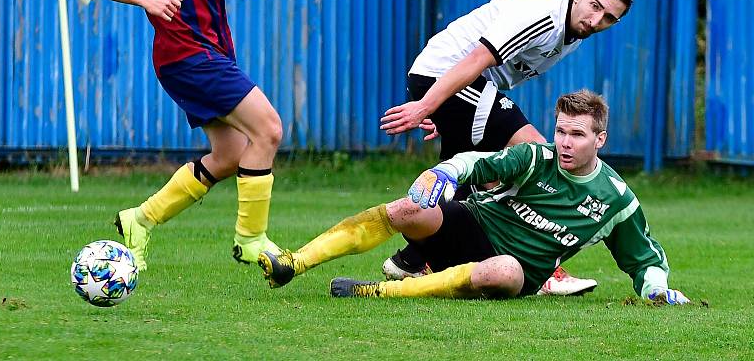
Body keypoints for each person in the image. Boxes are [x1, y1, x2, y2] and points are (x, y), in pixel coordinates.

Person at [257, 90, 690, 306]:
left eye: (577, 134)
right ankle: (293, 263)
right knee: (410, 209)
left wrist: (656, 289)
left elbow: (643, 258)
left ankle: (373, 292)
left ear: (601, 139)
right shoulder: (534, 157)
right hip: (472, 227)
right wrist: (443, 170)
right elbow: (476, 163)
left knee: (500, 270)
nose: (564, 141)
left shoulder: (615, 199)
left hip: (514, 272)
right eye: (560, 130)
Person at [89, 0, 282, 270]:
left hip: (215, 47)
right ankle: (251, 239)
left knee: (232, 154)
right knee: (269, 128)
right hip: (184, 53)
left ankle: (140, 218)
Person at [379, 0, 635, 296]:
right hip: (448, 76)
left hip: (458, 87)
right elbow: (475, 60)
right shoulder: (545, 16)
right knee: (537, 152)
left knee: (470, 176)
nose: (597, 20)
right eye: (595, 7)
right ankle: (546, 269)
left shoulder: (573, 34)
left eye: (609, 18)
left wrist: (450, 112)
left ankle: (412, 259)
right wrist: (428, 105)